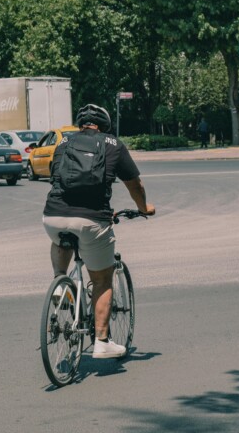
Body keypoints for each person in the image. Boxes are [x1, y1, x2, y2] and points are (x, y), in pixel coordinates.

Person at [42, 104, 155, 359]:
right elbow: (134, 183)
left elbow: (55, 179)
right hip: (92, 220)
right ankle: (102, 342)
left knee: (62, 236)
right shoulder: (113, 144)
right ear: (104, 124)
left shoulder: (63, 144)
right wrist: (143, 208)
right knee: (102, 279)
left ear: (81, 123)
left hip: (53, 215)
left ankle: (60, 280)